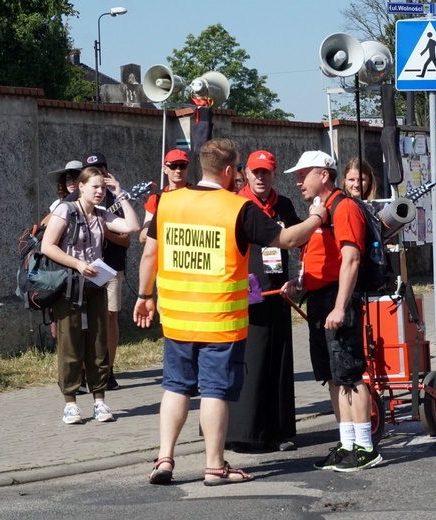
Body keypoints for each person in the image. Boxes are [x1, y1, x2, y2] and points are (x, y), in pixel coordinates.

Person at [133, 138, 327, 486]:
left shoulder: (169, 202)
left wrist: (144, 295)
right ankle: (214, 467)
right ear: (228, 171)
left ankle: (164, 459)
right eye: (238, 169)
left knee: (175, 388)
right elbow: (288, 240)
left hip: (177, 317)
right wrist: (316, 216)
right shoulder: (237, 208)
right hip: (219, 319)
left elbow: (149, 254)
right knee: (213, 392)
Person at [284, 150, 382, 472]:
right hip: (319, 300)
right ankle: (346, 444)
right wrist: (299, 285)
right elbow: (314, 254)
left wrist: (340, 306)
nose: (298, 181)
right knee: (333, 377)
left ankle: (366, 447)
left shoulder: (344, 208)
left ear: (323, 175)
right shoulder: (321, 211)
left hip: (337, 301)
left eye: (303, 174)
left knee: (350, 375)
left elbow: (351, 259)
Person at [42, 166, 140, 424]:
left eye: (103, 187)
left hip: (96, 285)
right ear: (81, 187)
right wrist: (76, 264)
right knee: (70, 343)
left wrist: (120, 194)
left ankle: (99, 400)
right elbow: (47, 246)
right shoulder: (65, 210)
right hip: (70, 287)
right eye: (94, 186)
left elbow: (132, 226)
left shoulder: (101, 214)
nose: (99, 191)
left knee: (98, 342)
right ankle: (70, 403)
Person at [226, 150, 301, 453]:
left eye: (266, 172)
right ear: (245, 173)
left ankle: (277, 431)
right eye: (255, 172)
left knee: (277, 364)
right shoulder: (237, 205)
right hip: (244, 296)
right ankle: (242, 433)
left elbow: (300, 240)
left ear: (273, 173)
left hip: (277, 294)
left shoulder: (283, 205)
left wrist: (297, 279)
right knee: (248, 363)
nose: (260, 177)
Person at [64, 152, 131, 391]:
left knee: (108, 318)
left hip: (110, 267)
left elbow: (126, 239)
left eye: (102, 169)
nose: (99, 179)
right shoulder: (72, 202)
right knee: (80, 324)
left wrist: (103, 228)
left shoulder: (111, 200)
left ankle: (107, 371)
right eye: (93, 171)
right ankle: (80, 375)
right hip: (79, 272)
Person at [139, 149, 191, 245]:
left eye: (182, 165)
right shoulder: (156, 198)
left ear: (187, 168)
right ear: (164, 169)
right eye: (173, 166)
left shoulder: (197, 195)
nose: (178, 170)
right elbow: (143, 237)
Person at [43, 160, 83, 225]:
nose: (72, 182)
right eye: (68, 179)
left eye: (76, 178)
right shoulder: (57, 203)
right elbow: (45, 224)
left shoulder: (93, 203)